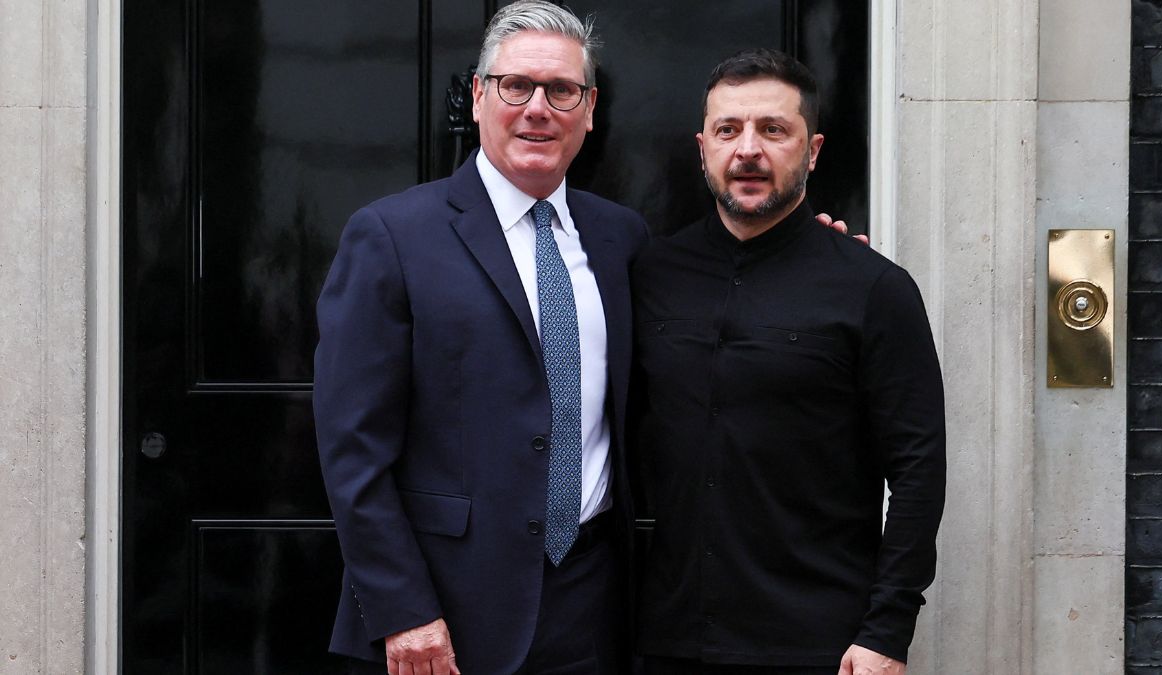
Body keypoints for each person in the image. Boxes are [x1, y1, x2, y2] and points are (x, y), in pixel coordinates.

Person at [312, 2, 648, 673]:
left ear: (589, 109)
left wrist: (807, 261)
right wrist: (402, 608)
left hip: (592, 605)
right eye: (516, 85)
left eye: (562, 90)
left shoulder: (622, 239)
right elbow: (352, 449)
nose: (537, 109)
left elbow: (702, 321)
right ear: (478, 95)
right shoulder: (392, 236)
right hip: (444, 612)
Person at [631, 49, 947, 675]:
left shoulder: (873, 288)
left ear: (813, 149)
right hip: (666, 637)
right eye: (728, 130)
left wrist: (887, 631)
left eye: (773, 130)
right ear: (703, 149)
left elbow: (918, 470)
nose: (748, 150)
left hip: (818, 643)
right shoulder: (649, 274)